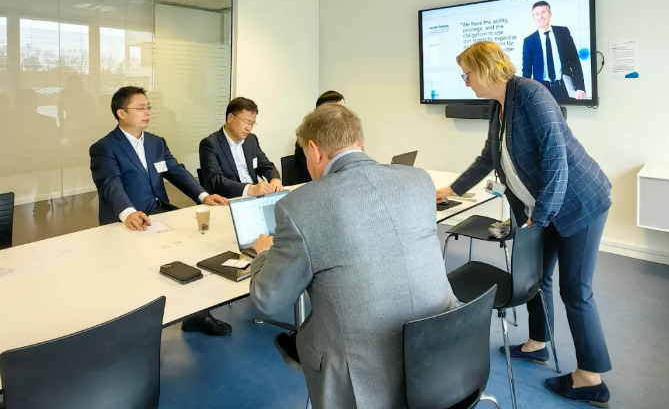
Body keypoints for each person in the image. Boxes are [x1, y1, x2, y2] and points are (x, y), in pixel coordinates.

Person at [437, 41, 612, 406]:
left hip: (579, 203)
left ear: (485, 69)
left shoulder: (532, 94)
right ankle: (537, 343)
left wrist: (538, 219)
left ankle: (590, 379)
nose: (466, 81)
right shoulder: (498, 106)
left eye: (467, 74)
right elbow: (488, 158)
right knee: (536, 278)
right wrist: (451, 190)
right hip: (542, 208)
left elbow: (556, 161)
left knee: (575, 290)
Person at [250, 103, 457, 409]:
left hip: (363, 374)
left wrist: (264, 254)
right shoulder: (418, 180)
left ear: (314, 150)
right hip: (443, 355)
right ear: (359, 141)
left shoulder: (299, 206)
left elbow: (268, 299)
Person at [89, 86, 232, 337]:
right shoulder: (105, 147)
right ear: (121, 113)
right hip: (127, 220)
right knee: (137, 272)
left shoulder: (156, 142)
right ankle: (136, 328)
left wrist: (203, 195)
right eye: (140, 108)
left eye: (148, 107)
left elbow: (176, 171)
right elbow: (110, 183)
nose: (147, 112)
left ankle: (197, 316)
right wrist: (128, 212)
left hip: (159, 213)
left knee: (193, 251)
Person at [199, 97, 282, 198]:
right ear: (230, 118)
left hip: (255, 197)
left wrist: (275, 180)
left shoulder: (251, 140)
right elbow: (215, 180)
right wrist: (249, 189)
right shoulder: (210, 144)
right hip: (229, 199)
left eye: (252, 123)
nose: (249, 128)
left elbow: (266, 165)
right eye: (246, 122)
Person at [522, 1, 587, 101]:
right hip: (541, 89)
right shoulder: (529, 41)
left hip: (564, 87)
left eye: (543, 12)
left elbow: (574, 61)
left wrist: (580, 88)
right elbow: (527, 70)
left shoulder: (563, 33)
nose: (540, 16)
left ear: (550, 14)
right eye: (537, 14)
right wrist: (526, 92)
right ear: (533, 18)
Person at [293, 90, 345, 184]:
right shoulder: (307, 135)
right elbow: (308, 173)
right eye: (339, 110)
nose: (344, 114)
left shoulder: (341, 134)